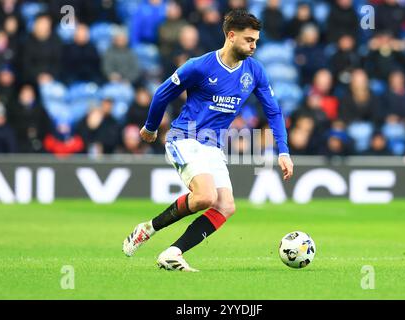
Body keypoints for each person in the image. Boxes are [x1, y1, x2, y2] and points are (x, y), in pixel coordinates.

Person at [122, 10, 294, 272]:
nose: (253, 46)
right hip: (184, 137)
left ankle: (172, 252)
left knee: (225, 206)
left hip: (212, 145)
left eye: (256, 41)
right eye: (249, 40)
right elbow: (161, 94)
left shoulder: (255, 71)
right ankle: (148, 229)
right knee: (204, 196)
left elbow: (274, 111)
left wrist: (283, 151)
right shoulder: (200, 65)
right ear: (231, 35)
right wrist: (151, 127)